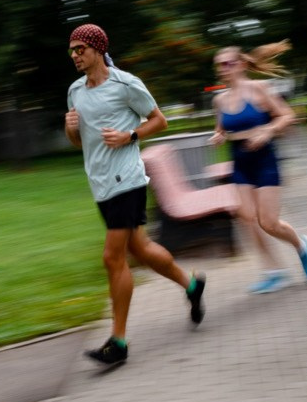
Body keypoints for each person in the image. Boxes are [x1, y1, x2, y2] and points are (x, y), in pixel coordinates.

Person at [64, 25, 206, 369]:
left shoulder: (125, 84)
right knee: (140, 248)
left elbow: (160, 121)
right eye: (71, 50)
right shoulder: (75, 91)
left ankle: (119, 341)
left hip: (126, 180)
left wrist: (129, 135)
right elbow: (80, 143)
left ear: (98, 49)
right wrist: (70, 129)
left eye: (80, 48)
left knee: (113, 259)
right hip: (100, 184)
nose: (75, 55)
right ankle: (191, 286)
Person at [210, 45, 307, 292]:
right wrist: (218, 136)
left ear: (241, 65)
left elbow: (287, 116)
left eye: (227, 63)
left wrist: (267, 130)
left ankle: (302, 247)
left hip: (264, 160)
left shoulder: (259, 89)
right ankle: (274, 272)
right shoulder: (219, 99)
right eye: (219, 65)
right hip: (240, 162)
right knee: (246, 218)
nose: (222, 69)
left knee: (268, 222)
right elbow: (221, 128)